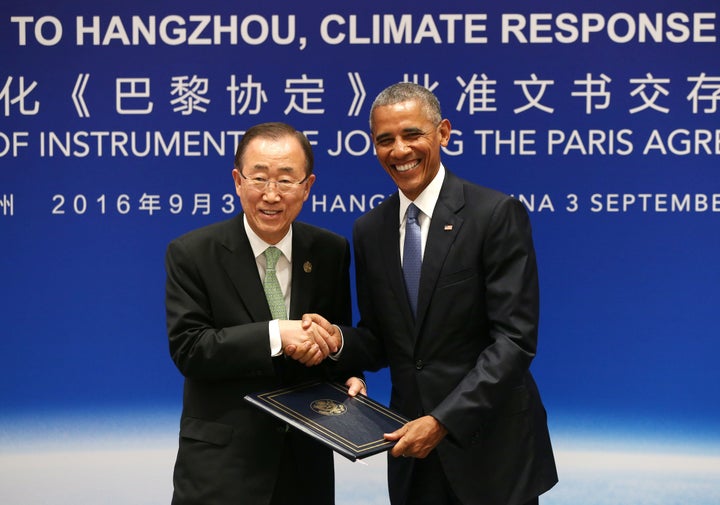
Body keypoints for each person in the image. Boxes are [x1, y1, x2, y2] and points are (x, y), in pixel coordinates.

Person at [304, 82, 558, 505]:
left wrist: (442, 421)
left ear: (443, 132)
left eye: (412, 134)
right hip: (412, 453)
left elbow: (514, 342)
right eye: (385, 140)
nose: (399, 150)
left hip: (491, 450)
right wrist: (338, 341)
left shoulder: (493, 214)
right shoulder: (369, 231)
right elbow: (383, 341)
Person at [165, 122, 364, 505]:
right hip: (222, 470)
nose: (271, 195)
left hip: (306, 466)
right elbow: (190, 349)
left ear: (307, 187)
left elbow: (338, 336)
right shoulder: (192, 253)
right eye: (259, 178)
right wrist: (277, 334)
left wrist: (348, 374)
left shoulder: (329, 251)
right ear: (238, 181)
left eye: (286, 181)